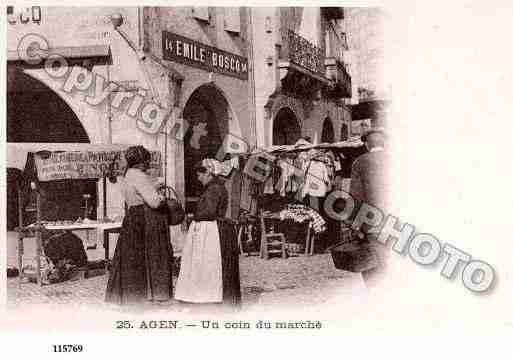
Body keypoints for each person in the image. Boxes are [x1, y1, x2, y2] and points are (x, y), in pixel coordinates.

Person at [105, 145, 174, 306]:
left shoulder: (127, 175)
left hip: (132, 216)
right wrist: (161, 195)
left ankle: (130, 293)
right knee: (147, 255)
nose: (148, 164)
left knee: (130, 256)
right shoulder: (140, 176)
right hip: (144, 218)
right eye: (146, 161)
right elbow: (154, 202)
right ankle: (147, 292)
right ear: (140, 162)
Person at [174, 159, 241, 309]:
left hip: (213, 231)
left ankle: (211, 295)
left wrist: (193, 216)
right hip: (211, 229)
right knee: (207, 264)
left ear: (208, 173)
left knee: (212, 263)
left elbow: (209, 211)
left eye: (200, 175)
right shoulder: (214, 187)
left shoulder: (215, 188)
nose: (198, 178)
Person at [349, 128, 389, 288]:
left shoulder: (360, 162)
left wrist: (355, 224)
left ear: (366, 144)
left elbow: (356, 197)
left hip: (373, 225)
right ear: (384, 143)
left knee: (373, 268)